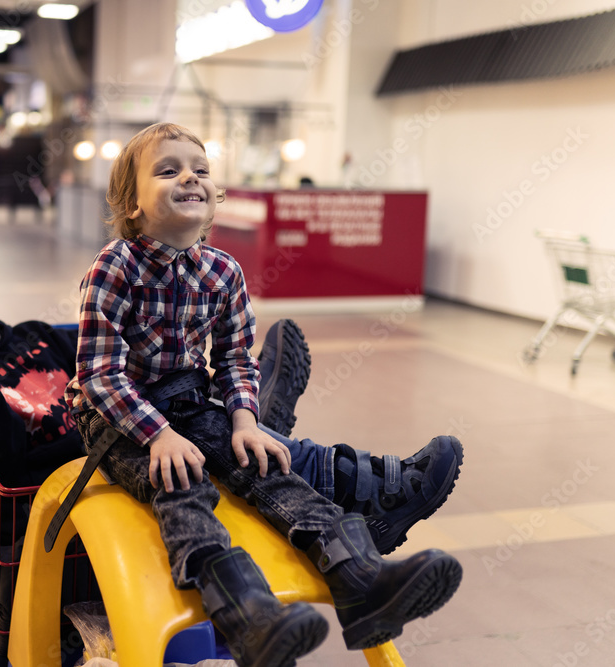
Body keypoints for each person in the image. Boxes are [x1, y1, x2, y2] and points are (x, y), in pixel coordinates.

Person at [63, 122, 462, 666]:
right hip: (115, 417)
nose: (190, 178)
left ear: (214, 196)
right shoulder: (116, 265)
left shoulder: (223, 271)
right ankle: (248, 617)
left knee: (269, 466)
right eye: (168, 169)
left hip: (187, 398)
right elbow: (100, 375)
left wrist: (245, 421)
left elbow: (231, 360)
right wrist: (158, 437)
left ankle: (362, 582)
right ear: (132, 203)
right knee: (183, 485)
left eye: (201, 170)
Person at [0, 260, 461, 556]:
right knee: (212, 438)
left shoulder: (42, 335)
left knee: (192, 417)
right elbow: (5, 457)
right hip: (72, 483)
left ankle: (253, 415)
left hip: (134, 443)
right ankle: (292, 436)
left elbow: (118, 366)